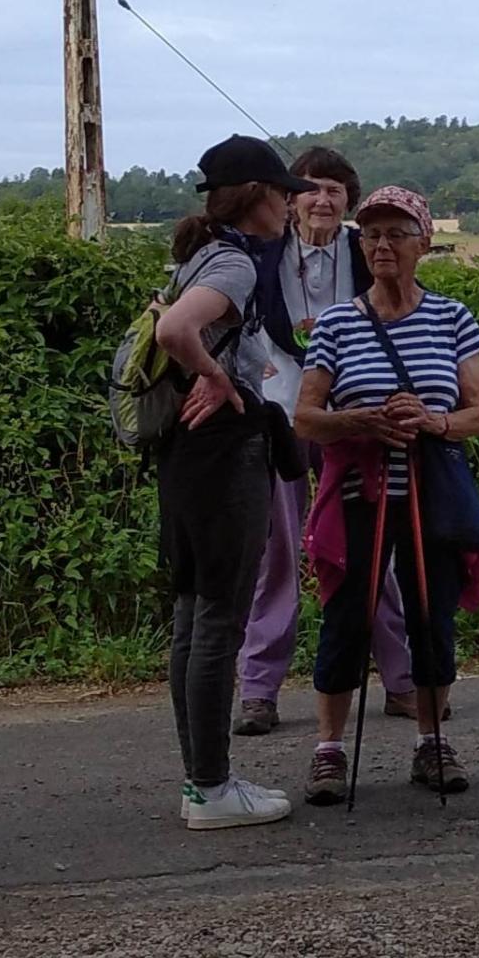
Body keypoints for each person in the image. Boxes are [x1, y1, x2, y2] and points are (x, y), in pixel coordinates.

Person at [294, 186, 479, 801]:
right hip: (361, 494)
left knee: (431, 617)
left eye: (396, 233)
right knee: (346, 618)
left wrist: (430, 421)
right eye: (372, 234)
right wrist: (362, 420)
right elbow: (305, 417)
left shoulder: (452, 317)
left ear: (423, 244)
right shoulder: (336, 323)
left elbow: (478, 413)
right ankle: (328, 750)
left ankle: (431, 742)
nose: (382, 244)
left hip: (430, 495)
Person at [231, 148, 423, 737]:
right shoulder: (259, 253)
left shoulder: (367, 252)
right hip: (280, 416)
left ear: (349, 203)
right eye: (311, 188)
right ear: (290, 197)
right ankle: (259, 688)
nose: (322, 200)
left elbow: (404, 317)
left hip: (356, 421)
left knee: (373, 552)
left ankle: (402, 680)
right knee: (278, 554)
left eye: (336, 191)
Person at [153, 134, 315, 830]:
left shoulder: (195, 254)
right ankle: (213, 787)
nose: (291, 206)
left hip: (184, 453)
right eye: (284, 193)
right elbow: (175, 332)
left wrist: (204, 370)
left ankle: (200, 781)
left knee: (193, 613)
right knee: (220, 613)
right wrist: (218, 377)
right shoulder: (236, 264)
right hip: (225, 454)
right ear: (256, 197)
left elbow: (171, 321)